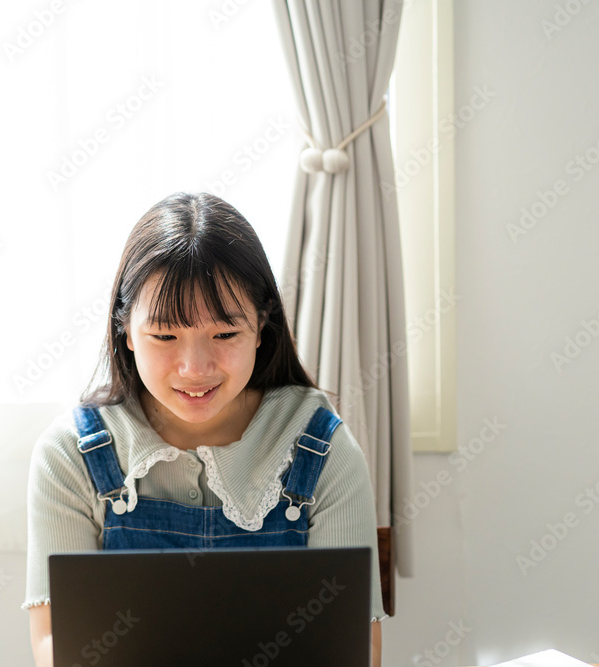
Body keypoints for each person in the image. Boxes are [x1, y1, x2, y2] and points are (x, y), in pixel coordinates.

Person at [23, 192, 385, 667]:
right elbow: (57, 644)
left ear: (261, 326)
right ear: (125, 331)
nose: (195, 368)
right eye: (165, 335)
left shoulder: (323, 448)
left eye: (225, 334)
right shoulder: (70, 454)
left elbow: (357, 650)